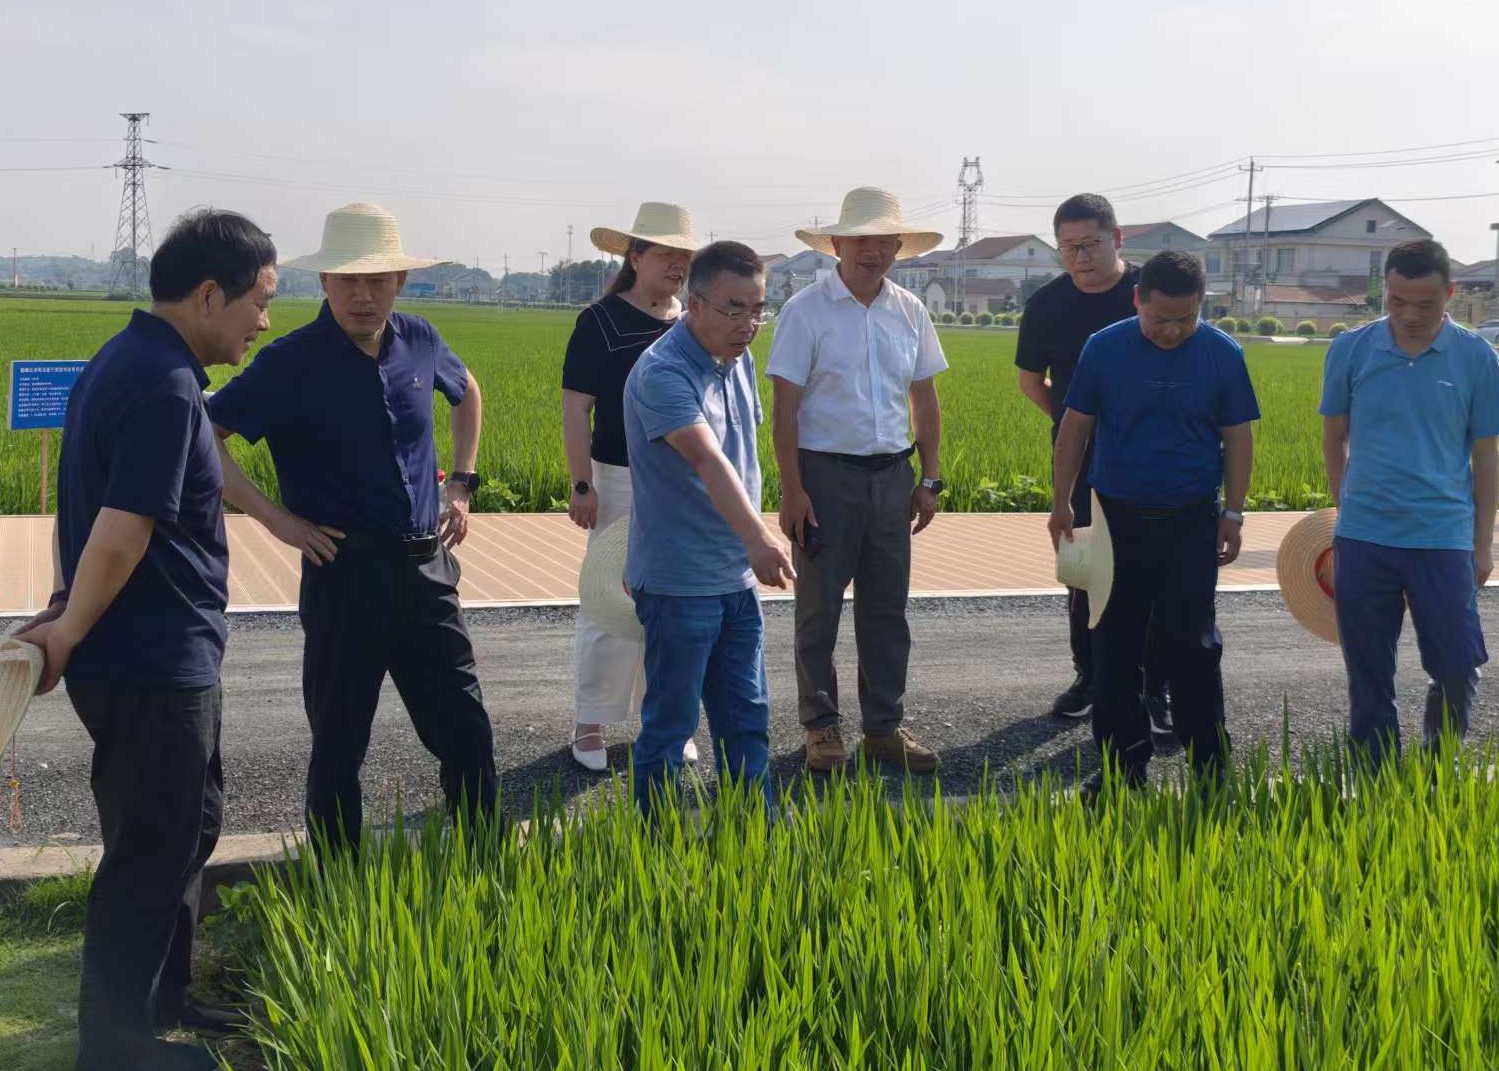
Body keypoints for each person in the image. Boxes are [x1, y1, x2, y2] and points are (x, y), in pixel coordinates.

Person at [17, 209, 277, 1070]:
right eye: (258, 301)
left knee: (188, 827)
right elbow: (120, 531)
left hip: (159, 654)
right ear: (207, 296)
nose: (263, 321)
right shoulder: (164, 385)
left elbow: (86, 504)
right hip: (150, 662)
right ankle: (117, 1045)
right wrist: (66, 630)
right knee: (150, 851)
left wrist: (66, 606)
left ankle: (162, 999)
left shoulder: (125, 359)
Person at [208, 202, 497, 854]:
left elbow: (468, 390)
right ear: (324, 282)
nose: (363, 295)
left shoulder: (420, 339)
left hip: (425, 569)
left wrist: (462, 483)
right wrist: (276, 520)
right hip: (344, 572)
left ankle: (485, 865)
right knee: (340, 742)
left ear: (400, 281)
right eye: (348, 280)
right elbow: (206, 434)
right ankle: (336, 882)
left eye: (377, 280)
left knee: (466, 728)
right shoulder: (289, 363)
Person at [1049, 250, 1259, 797]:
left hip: (1191, 520)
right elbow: (1075, 428)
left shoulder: (1222, 353)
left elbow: (1238, 438)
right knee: (1114, 649)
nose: (1171, 331)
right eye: (1159, 318)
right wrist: (1061, 502)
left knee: (1194, 645)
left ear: (1202, 305)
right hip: (1116, 520)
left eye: (1185, 319)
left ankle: (1210, 769)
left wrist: (1234, 512)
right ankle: (1122, 771)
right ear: (1137, 299)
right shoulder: (1105, 348)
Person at [767, 187, 947, 774]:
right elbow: (786, 407)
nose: (873, 251)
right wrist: (793, 490)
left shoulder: (910, 310)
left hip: (893, 476)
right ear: (837, 245)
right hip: (824, 477)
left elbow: (924, 398)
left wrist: (930, 478)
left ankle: (883, 727)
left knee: (887, 609)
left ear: (899, 247)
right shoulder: (805, 311)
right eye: (861, 240)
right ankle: (821, 727)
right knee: (818, 610)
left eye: (885, 241)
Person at [622, 240, 794, 817]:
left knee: (746, 716)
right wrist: (758, 536)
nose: (749, 324)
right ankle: (656, 845)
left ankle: (754, 835)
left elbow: (744, 455)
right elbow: (706, 458)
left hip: (735, 579)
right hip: (679, 582)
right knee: (671, 728)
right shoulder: (663, 372)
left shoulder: (736, 357)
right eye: (734, 308)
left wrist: (753, 543)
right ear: (694, 304)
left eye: (758, 309)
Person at [1320, 238, 1499, 766]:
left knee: (1457, 663)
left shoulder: (1476, 357)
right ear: (1385, 292)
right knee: (1368, 669)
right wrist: (1344, 506)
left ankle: (1438, 767)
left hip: (1442, 534)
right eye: (1397, 302)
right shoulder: (1351, 349)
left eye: (1426, 304)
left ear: (1450, 293)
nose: (1410, 315)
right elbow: (1334, 436)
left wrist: (1482, 543)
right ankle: (1374, 772)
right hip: (1365, 536)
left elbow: (1487, 453)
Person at [1016, 193, 1171, 733]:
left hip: (1153, 458)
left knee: (1153, 574)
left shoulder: (1151, 292)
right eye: (1069, 248)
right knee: (1085, 572)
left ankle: (1156, 687)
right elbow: (1030, 381)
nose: (1080, 257)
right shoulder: (1046, 305)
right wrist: (1072, 425)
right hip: (1080, 462)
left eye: (1091, 244)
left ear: (1117, 239)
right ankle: (1089, 675)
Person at [563, 203, 699, 771]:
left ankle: (665, 721)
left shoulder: (692, 321)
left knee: (674, 603)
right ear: (635, 257)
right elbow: (577, 408)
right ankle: (589, 722)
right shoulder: (599, 321)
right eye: (664, 253)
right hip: (618, 478)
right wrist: (581, 483)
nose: (676, 264)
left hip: (683, 482)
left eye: (683, 255)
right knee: (607, 597)